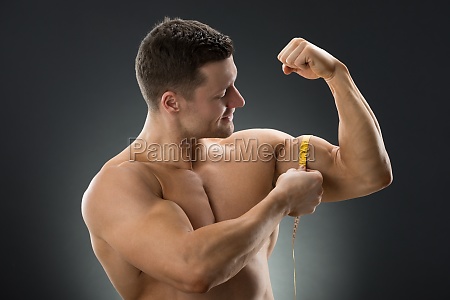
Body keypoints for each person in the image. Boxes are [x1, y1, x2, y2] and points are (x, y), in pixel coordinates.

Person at [81, 17, 392, 300]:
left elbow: (368, 174)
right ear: (171, 102)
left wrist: (337, 76)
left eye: (234, 84)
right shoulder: (116, 187)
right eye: (221, 94)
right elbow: (195, 272)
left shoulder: (260, 151)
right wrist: (280, 202)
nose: (238, 100)